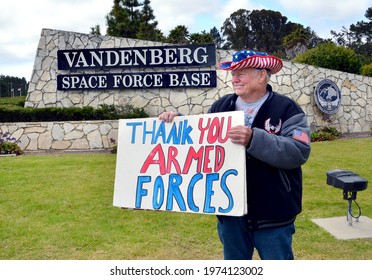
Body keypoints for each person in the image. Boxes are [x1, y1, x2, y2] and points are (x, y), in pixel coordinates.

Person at [158, 50, 311, 260]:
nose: (234, 78)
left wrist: (254, 139)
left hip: (273, 214)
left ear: (261, 75)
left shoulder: (287, 109)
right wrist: (178, 122)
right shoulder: (221, 106)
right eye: (233, 74)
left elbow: (298, 152)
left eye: (241, 73)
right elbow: (202, 139)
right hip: (230, 214)